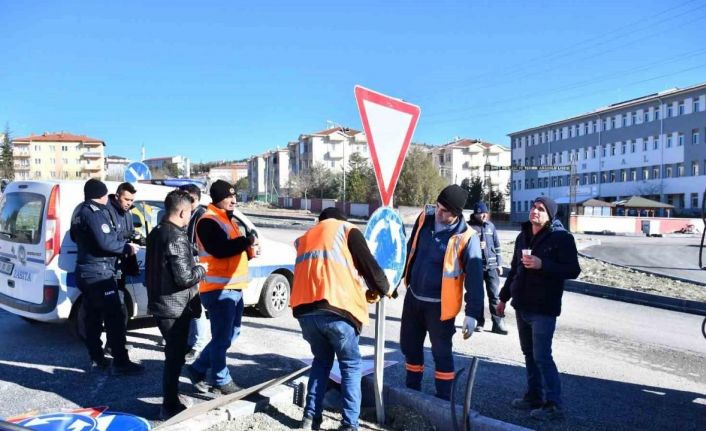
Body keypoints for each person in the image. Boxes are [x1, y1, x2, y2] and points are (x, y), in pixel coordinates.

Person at [291, 207, 390, 431]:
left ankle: (310, 419)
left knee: (321, 362)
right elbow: (369, 266)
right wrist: (383, 287)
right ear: (340, 220)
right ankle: (349, 425)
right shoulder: (346, 230)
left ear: (321, 220)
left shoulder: (306, 237)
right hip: (337, 310)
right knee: (351, 365)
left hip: (305, 312)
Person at [497, 196, 581, 421]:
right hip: (522, 304)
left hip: (544, 308)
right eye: (533, 207)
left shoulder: (561, 238)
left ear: (550, 215)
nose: (535, 211)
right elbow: (514, 269)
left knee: (542, 355)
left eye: (541, 209)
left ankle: (554, 405)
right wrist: (503, 298)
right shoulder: (522, 236)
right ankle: (534, 396)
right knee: (529, 354)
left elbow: (573, 270)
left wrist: (543, 265)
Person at [400, 184, 484, 401]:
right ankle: (411, 393)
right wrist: (397, 277)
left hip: (440, 306)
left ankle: (443, 401)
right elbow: (411, 250)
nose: (438, 212)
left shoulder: (467, 237)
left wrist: (473, 313)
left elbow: (475, 279)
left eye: (445, 211)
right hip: (414, 298)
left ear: (456, 214)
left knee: (442, 354)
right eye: (437, 206)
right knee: (410, 347)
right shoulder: (424, 219)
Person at [185, 180, 258, 395]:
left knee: (231, 334)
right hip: (217, 289)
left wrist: (250, 248)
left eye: (234, 196)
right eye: (228, 196)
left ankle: (198, 368)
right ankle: (220, 379)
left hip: (233, 286)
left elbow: (234, 251)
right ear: (217, 198)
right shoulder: (208, 220)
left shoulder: (229, 219)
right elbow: (219, 250)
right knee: (222, 337)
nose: (233, 200)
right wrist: (245, 242)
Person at [70, 178, 143, 375]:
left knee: (93, 317)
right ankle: (121, 362)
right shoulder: (95, 213)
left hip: (86, 271)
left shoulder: (79, 210)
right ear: (101, 195)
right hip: (99, 273)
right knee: (115, 316)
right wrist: (127, 247)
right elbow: (105, 243)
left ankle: (96, 357)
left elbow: (75, 237)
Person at [146, 190, 207, 419]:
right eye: (190, 213)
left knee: (174, 355)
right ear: (182, 211)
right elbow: (184, 278)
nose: (190, 217)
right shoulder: (176, 237)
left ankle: (172, 397)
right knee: (175, 357)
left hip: (161, 302)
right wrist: (202, 269)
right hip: (174, 307)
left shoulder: (157, 231)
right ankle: (169, 405)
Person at [105, 182, 140, 354]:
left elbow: (129, 236)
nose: (129, 203)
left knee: (121, 308)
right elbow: (108, 239)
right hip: (109, 266)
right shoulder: (106, 210)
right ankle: (112, 345)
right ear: (117, 195)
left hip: (121, 266)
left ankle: (117, 341)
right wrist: (125, 235)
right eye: (126, 199)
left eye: (132, 200)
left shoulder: (127, 212)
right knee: (115, 308)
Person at [178, 184, 209, 362]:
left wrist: (182, 247)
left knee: (198, 309)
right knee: (189, 307)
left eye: (189, 199)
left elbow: (203, 246)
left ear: (197, 199)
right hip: (189, 266)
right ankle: (190, 342)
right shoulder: (186, 214)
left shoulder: (202, 217)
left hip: (199, 268)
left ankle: (198, 345)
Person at [468, 201, 507, 335]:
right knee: (478, 296)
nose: (483, 216)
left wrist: (499, 264)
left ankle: (498, 324)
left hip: (491, 267)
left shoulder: (491, 226)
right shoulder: (469, 228)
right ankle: (479, 322)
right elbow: (464, 247)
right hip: (476, 266)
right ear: (475, 214)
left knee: (494, 296)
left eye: (484, 213)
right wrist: (477, 246)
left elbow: (497, 245)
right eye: (479, 213)